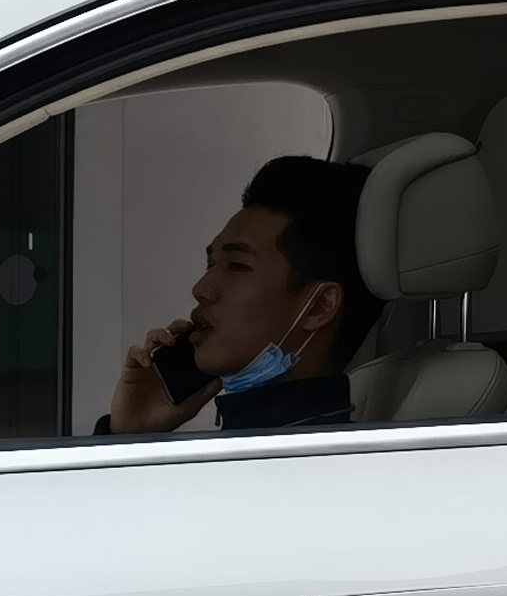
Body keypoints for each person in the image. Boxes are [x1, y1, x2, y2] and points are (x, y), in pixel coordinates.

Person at [103, 153, 371, 438]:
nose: (201, 289)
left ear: (319, 306)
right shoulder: (253, 443)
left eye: (237, 266)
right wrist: (129, 435)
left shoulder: (321, 457)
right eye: (210, 265)